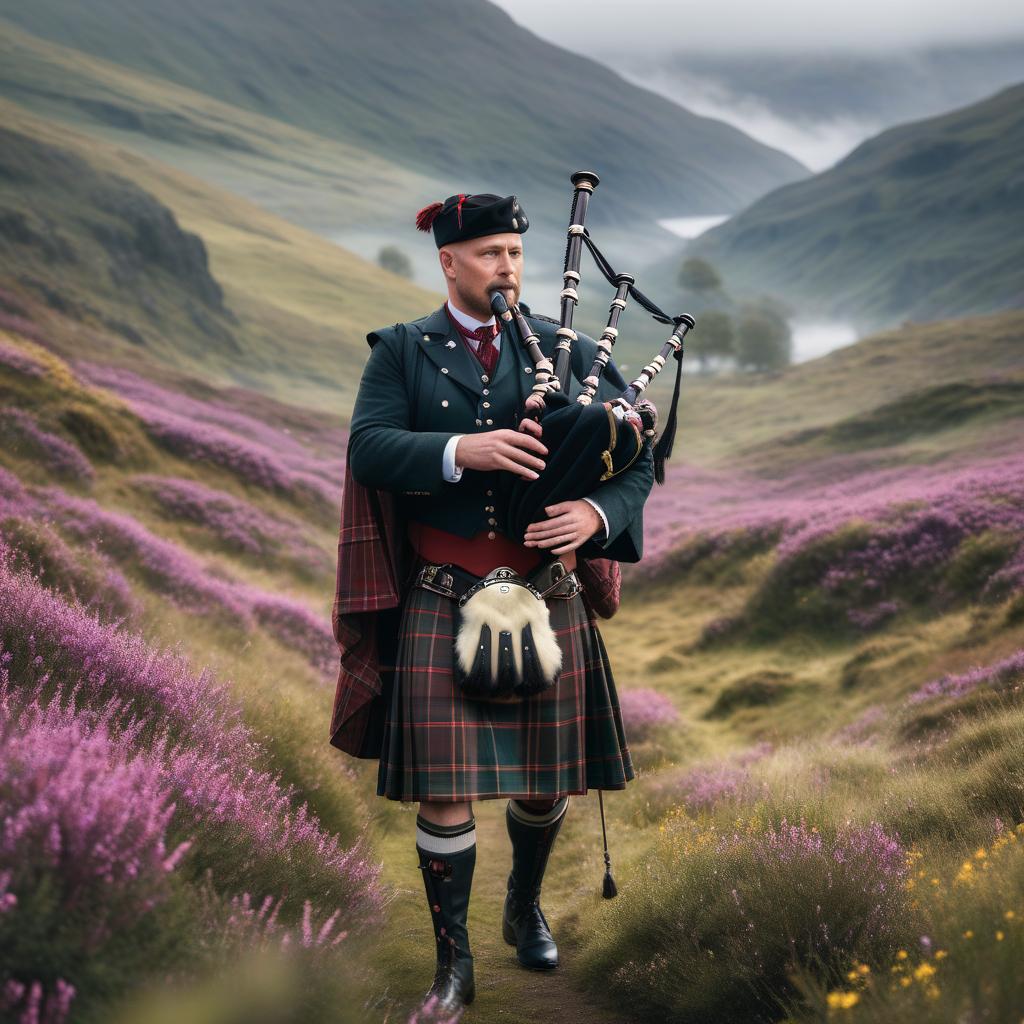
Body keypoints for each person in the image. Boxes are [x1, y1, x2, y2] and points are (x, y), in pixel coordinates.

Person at [331, 191, 654, 1015]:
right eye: (489, 254)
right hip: (444, 592)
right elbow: (368, 447)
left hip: (547, 592)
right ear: (449, 262)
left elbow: (636, 453)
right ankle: (452, 965)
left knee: (545, 782)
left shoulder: (564, 346)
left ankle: (523, 906)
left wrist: (598, 514)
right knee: (446, 788)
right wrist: (455, 449)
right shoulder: (402, 351)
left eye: (514, 253)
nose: (507, 267)